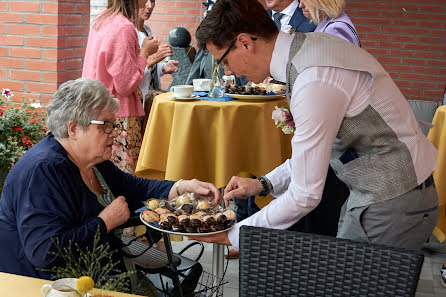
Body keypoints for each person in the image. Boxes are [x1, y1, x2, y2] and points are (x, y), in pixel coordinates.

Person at [189, 0, 438, 252]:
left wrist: (236, 234)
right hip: (386, 195)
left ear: (245, 42)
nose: (228, 71)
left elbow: (305, 194)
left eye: (223, 61)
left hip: (395, 200)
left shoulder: (312, 77)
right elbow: (314, 153)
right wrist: (263, 184)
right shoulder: (308, 51)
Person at [0, 78, 222, 280]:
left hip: (92, 272)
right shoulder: (44, 171)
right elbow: (43, 252)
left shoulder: (91, 160)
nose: (114, 132)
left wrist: (181, 188)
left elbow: (133, 187)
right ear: (74, 129)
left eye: (113, 125)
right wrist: (105, 222)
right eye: (105, 125)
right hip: (49, 284)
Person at [83, 0, 158, 175]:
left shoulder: (102, 18)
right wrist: (144, 53)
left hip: (97, 110)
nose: (148, 3)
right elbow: (125, 84)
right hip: (119, 116)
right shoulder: (124, 27)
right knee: (125, 180)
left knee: (103, 177)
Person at [136, 0, 179, 101]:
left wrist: (163, 68)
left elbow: (149, 70)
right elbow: (129, 75)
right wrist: (153, 59)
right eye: (145, 1)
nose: (150, 6)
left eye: (153, 1)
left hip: (152, 98)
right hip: (137, 100)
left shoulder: (146, 29)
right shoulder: (129, 32)